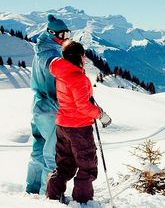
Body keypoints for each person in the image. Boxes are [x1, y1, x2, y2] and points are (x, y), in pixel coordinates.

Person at [46, 40, 112, 204]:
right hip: (79, 128)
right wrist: (100, 114)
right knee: (87, 165)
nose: (85, 59)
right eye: (83, 56)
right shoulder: (78, 78)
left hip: (62, 124)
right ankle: (82, 202)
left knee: (65, 164)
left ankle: (53, 197)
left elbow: (74, 99)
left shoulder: (61, 73)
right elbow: (82, 106)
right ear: (78, 57)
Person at [26, 14, 71, 195]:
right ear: (52, 33)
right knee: (52, 154)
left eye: (68, 34)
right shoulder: (51, 54)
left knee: (38, 149)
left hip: (38, 107)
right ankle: (49, 194)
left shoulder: (42, 50)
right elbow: (55, 66)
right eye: (62, 36)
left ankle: (32, 189)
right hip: (51, 108)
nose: (65, 39)